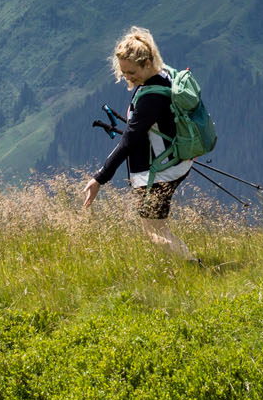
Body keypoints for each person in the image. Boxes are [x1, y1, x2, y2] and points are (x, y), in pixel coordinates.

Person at [81, 26, 193, 258]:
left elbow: (128, 141)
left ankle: (196, 268)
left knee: (154, 232)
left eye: (131, 72)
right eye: (123, 72)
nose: (127, 78)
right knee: (157, 228)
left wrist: (99, 178)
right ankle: (187, 267)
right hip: (174, 162)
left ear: (147, 63)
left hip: (157, 171)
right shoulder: (165, 76)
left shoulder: (151, 96)